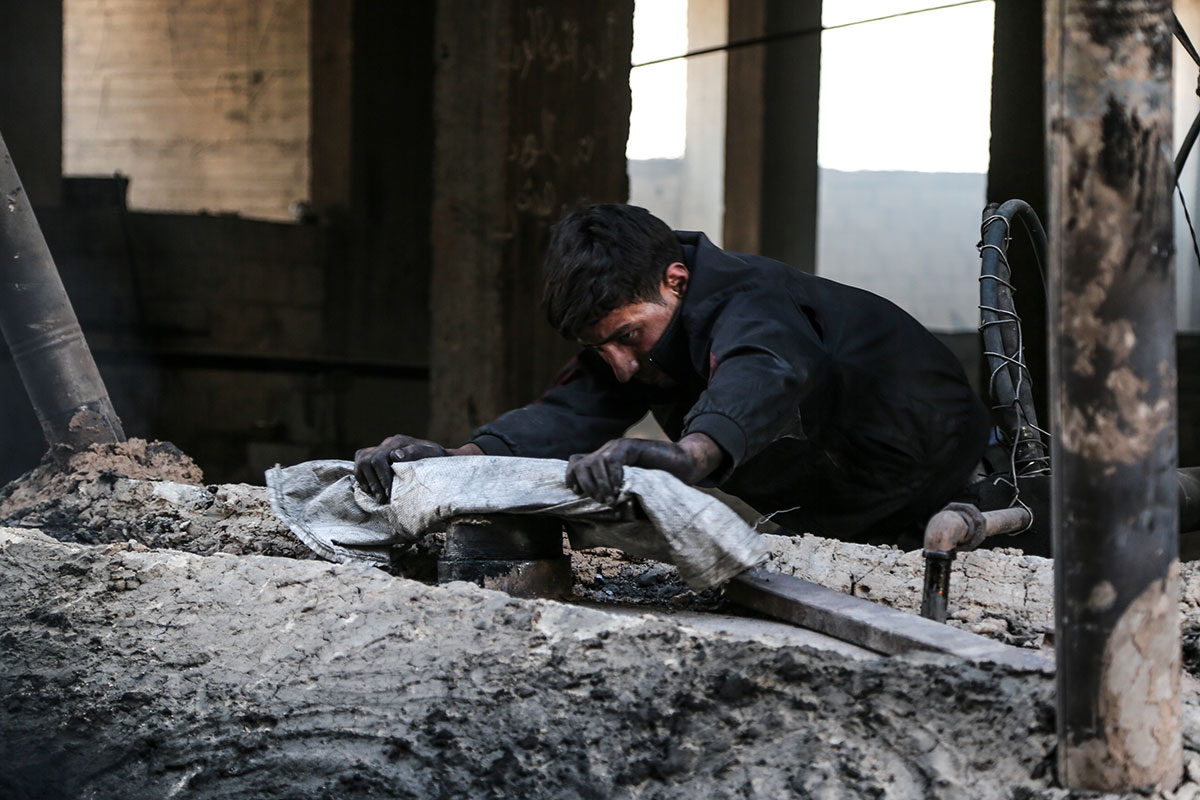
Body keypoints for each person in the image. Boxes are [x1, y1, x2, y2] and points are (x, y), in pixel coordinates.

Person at [355, 203, 991, 546]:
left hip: (952, 483)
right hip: (842, 523)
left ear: (676, 282)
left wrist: (691, 454)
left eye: (627, 337)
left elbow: (763, 369)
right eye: (601, 347)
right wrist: (454, 461)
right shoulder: (635, 336)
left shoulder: (751, 299)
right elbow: (569, 411)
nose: (621, 365)